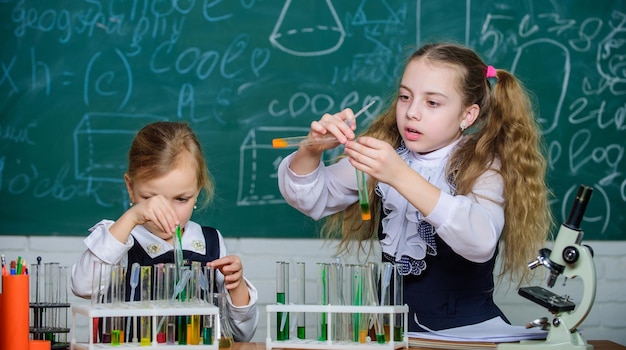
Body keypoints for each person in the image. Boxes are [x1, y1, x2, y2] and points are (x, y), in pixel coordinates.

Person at [277, 43, 553, 332]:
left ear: (467, 115)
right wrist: (312, 148)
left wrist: (399, 176)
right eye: (405, 97)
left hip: (468, 334)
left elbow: (481, 241)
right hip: (391, 333)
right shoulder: (386, 155)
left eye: (432, 103)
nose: (412, 113)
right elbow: (310, 198)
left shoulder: (484, 165)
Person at [71, 121, 258, 341]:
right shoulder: (120, 238)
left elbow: (243, 335)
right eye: (150, 199)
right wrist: (131, 217)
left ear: (197, 190)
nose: (166, 213)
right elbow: (82, 286)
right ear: (131, 188)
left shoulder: (211, 243)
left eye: (181, 199)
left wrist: (237, 287)